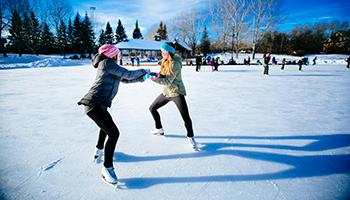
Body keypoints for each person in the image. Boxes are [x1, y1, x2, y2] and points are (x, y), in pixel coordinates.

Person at [77, 44, 156, 185]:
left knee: (105, 128)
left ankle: (99, 150)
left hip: (98, 104)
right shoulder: (107, 63)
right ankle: (107, 168)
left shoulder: (108, 65)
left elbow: (125, 79)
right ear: (112, 55)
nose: (118, 57)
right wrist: (143, 70)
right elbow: (128, 74)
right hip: (94, 104)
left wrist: (144, 77)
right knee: (113, 133)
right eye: (117, 54)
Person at [149, 42, 197, 149]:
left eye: (164, 51)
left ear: (169, 51)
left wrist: (154, 79)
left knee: (186, 117)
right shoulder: (165, 61)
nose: (162, 54)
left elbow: (167, 81)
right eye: (161, 52)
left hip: (176, 92)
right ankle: (159, 128)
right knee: (152, 108)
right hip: (167, 92)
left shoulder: (175, 63)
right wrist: (156, 75)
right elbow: (164, 76)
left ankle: (190, 136)